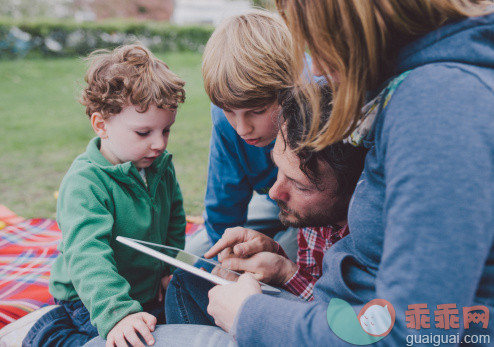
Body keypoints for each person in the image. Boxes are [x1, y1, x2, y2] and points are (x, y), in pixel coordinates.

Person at [108, 1, 494, 346]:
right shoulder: (419, 89)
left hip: (338, 325)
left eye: (310, 33)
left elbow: (413, 333)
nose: (317, 67)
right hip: (332, 310)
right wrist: (285, 270)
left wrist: (252, 316)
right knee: (193, 281)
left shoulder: (440, 104)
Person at [162, 85, 367, 327]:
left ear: (353, 190)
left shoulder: (371, 240)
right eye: (278, 168)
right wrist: (276, 257)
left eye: (299, 185)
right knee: (185, 280)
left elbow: (348, 329)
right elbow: (314, 280)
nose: (274, 192)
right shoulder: (317, 215)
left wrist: (284, 275)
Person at [23, 44, 187, 347]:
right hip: (92, 297)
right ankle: (50, 333)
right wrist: (117, 314)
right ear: (101, 125)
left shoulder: (160, 167)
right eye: (144, 133)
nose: (159, 143)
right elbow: (87, 255)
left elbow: (174, 222)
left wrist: (169, 270)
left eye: (166, 130)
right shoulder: (85, 183)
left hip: (144, 288)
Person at [184, 9, 300, 259]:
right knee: (194, 254)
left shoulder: (316, 104)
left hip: (317, 219)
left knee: (282, 255)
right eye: (229, 111)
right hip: (273, 204)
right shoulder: (227, 123)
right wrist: (223, 255)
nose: (242, 128)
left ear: (289, 90)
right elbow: (224, 199)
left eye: (257, 111)